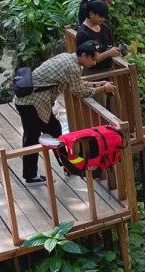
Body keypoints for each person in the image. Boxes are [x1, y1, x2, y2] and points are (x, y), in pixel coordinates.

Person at [14, 42, 114, 184]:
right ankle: (32, 176)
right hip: (31, 103)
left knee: (53, 131)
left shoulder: (67, 57)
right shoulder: (72, 66)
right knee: (33, 138)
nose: (94, 62)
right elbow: (79, 92)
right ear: (84, 55)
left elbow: (75, 83)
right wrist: (103, 89)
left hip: (32, 102)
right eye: (92, 59)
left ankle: (68, 166)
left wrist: (96, 84)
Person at [76, 0, 122, 73]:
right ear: (91, 14)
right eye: (100, 16)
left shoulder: (105, 27)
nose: (103, 19)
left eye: (104, 17)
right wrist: (109, 53)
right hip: (93, 73)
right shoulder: (83, 34)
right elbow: (87, 61)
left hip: (108, 69)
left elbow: (110, 45)